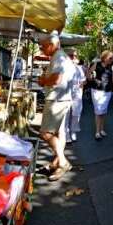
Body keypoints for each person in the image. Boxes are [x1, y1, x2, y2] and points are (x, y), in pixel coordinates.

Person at [38, 31, 76, 181]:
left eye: (43, 47)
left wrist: (43, 81)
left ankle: (63, 161)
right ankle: (56, 163)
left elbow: (56, 79)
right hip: (64, 99)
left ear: (52, 45)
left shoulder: (58, 57)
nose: (42, 50)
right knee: (60, 134)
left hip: (56, 100)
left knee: (46, 133)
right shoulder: (63, 57)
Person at [87, 50, 113, 140]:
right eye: (110, 58)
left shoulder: (112, 67)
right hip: (96, 91)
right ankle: (97, 132)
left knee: (103, 111)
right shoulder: (97, 64)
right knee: (98, 111)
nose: (112, 59)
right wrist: (93, 78)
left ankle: (102, 129)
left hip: (107, 92)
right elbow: (88, 74)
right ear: (104, 58)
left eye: (112, 58)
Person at [66, 49, 86, 143]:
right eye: (71, 56)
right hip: (65, 93)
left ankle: (73, 131)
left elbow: (83, 80)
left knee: (76, 114)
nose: (73, 57)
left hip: (76, 94)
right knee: (66, 114)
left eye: (74, 56)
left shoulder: (79, 68)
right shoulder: (63, 67)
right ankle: (66, 133)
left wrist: (79, 90)